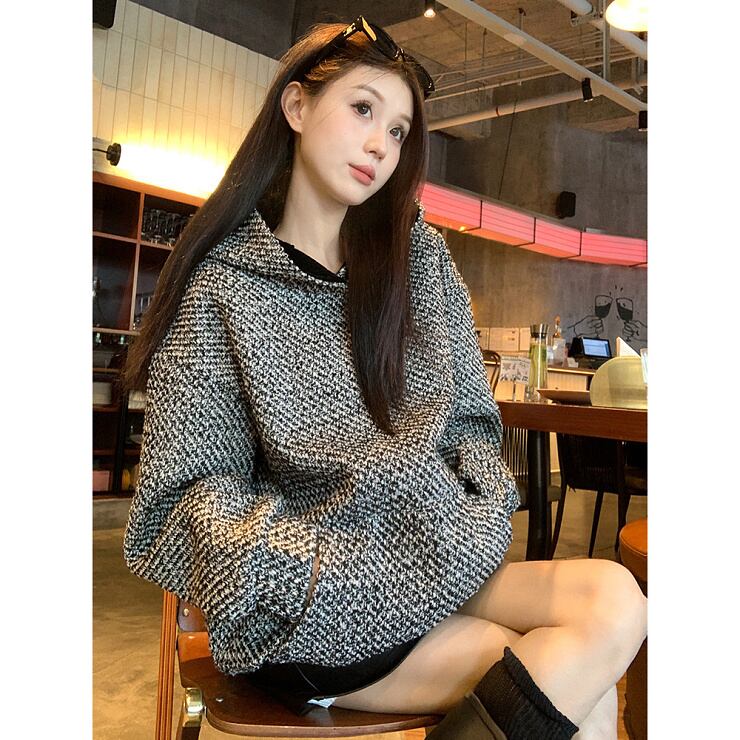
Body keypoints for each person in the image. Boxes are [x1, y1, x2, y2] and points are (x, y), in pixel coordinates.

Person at [121, 16, 646, 739]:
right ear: (297, 106)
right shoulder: (225, 286)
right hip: (313, 605)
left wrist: (474, 514)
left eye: (398, 131)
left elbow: (470, 423)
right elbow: (187, 496)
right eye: (363, 109)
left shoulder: (417, 264)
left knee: (618, 599)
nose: (380, 145)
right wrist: (315, 573)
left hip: (435, 556)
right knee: (567, 683)